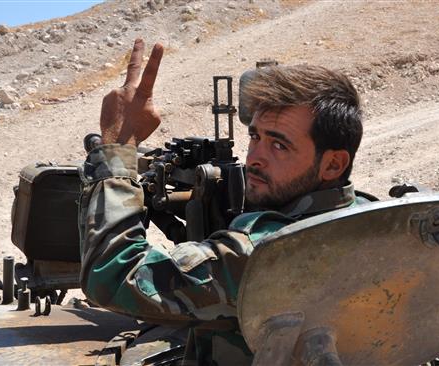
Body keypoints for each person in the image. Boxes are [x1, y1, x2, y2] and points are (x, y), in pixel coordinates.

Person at [78, 38, 365, 365]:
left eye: (279, 146)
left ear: (333, 164)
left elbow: (114, 275)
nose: (254, 158)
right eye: (255, 137)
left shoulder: (267, 255)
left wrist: (118, 148)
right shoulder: (377, 219)